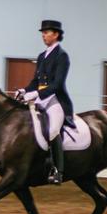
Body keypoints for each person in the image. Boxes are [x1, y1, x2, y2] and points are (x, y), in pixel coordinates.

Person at [16, 19, 75, 185]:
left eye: (47, 32)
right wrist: (24, 91)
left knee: (53, 130)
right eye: (43, 32)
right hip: (41, 99)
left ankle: (58, 171)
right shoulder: (42, 56)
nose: (43, 35)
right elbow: (36, 81)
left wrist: (35, 93)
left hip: (56, 101)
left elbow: (57, 84)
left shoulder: (62, 56)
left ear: (56, 35)